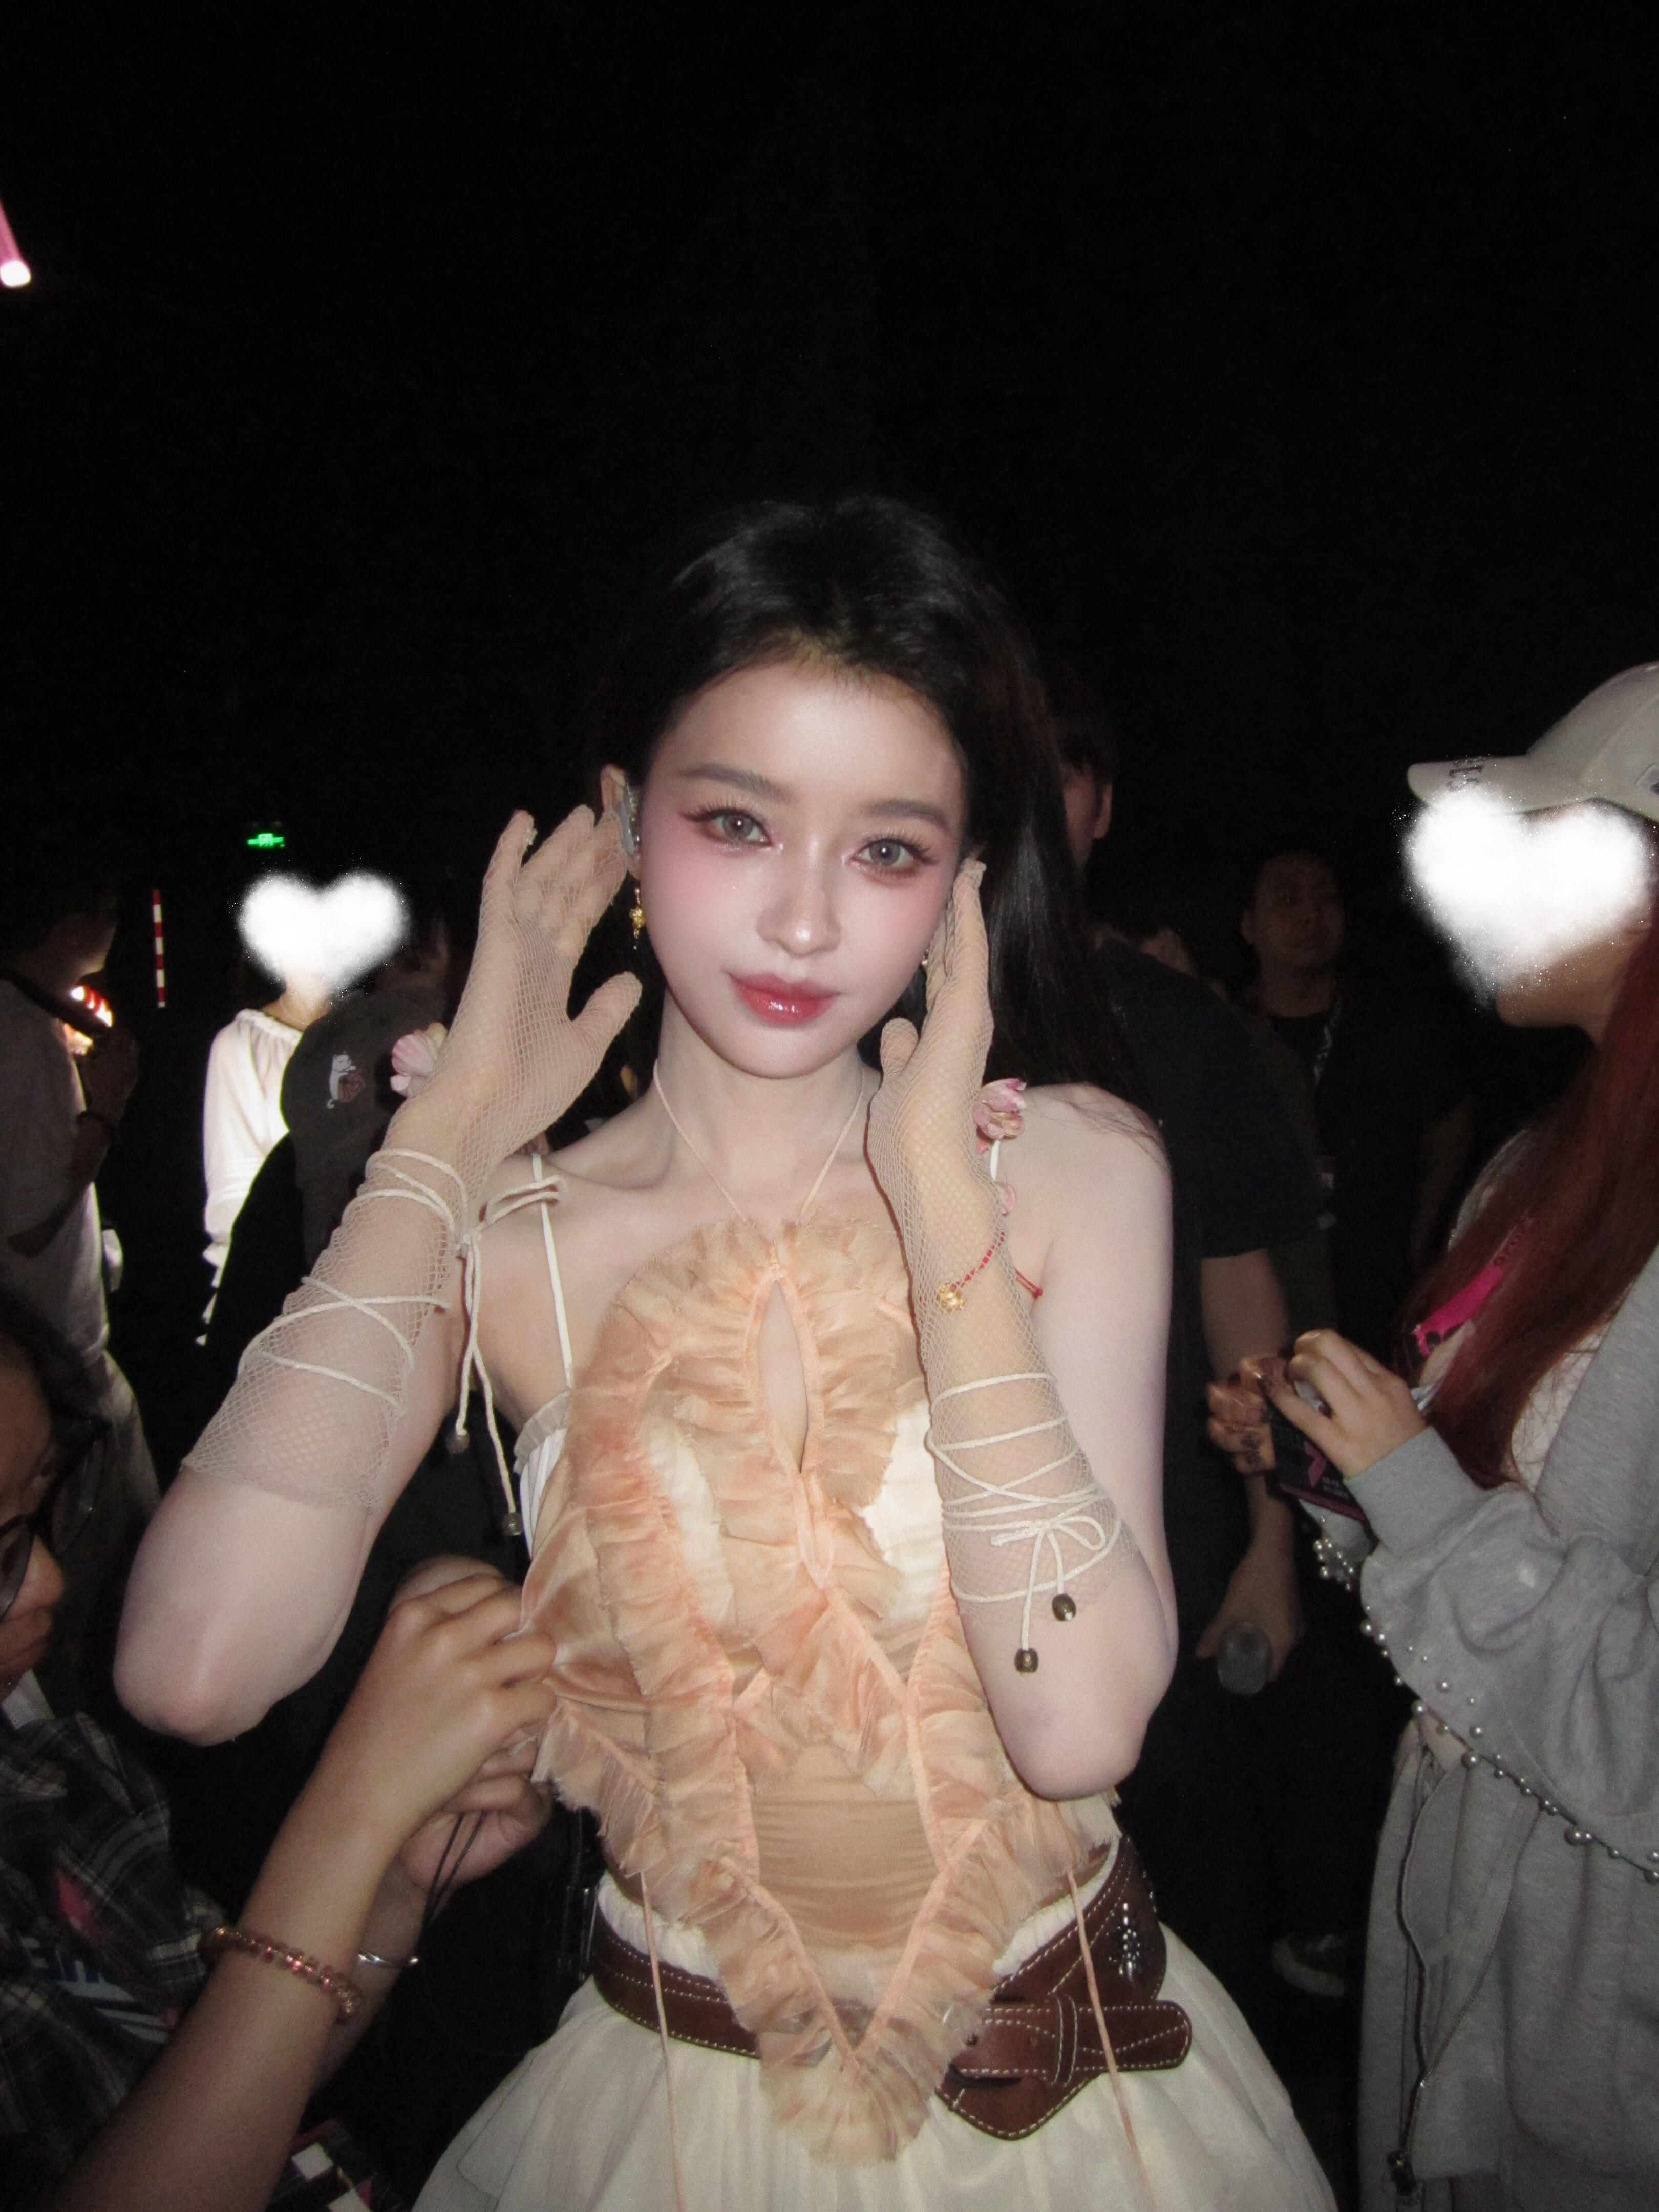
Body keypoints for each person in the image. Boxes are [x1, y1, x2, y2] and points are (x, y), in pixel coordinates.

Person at [118, 499, 1332, 2209]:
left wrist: (942, 1208)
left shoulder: (1067, 1167)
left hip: (1078, 2096)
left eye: (889, 851)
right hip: (673, 2107)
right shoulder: (512, 1234)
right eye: (740, 823)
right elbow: (193, 1664)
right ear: (625, 820)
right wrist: (445, 1142)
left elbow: (1074, 1725)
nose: (805, 922)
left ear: (967, 880)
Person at [1210, 663, 1659, 2209]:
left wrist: (1418, 1495)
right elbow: (1490, 1540)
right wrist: (1337, 1478)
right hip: (1470, 1959)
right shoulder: (1546, 1169)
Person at [0, 1286, 558, 2210]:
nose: (48, 1582)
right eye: (5, 1549)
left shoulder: (51, 1773)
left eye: (34, 1519)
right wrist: (353, 1817)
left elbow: (225, 2082)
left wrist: (394, 1884)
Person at [1054, 668, 1329, 2015]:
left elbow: (1242, 1289)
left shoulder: (1177, 1026)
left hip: (1161, 1546)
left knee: (1179, 1944)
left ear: (1102, 805)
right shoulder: (876, 1007)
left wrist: (1273, 1545)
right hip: (927, 1568)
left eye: (1057, 772)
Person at [0, 848, 157, 1701]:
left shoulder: (35, 1020)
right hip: (55, 1358)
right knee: (109, 1574)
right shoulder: (24, 1036)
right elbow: (30, 1223)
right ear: (72, 923)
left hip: (56, 1348)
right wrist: (106, 1107)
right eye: (109, 913)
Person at [1238, 843, 1473, 1358]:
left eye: (1326, 899)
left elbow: (1451, 1121)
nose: (1310, 915)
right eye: (1287, 900)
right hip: (1267, 1294)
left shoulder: (1393, 1023)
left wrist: (1423, 1233)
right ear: (1249, 925)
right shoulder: (1228, 1034)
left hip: (1379, 1291)